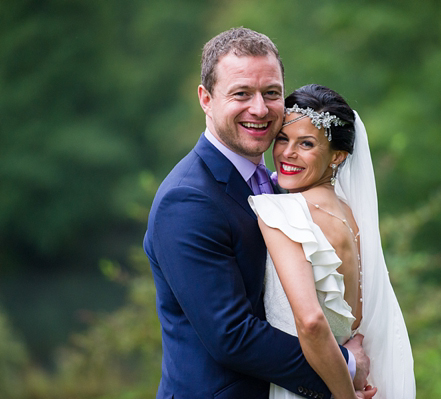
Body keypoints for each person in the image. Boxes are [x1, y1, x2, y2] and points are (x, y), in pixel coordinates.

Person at [143, 28, 368, 399]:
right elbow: (232, 335)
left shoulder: (285, 184)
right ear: (206, 98)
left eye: (272, 93)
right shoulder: (186, 200)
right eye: (241, 94)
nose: (260, 109)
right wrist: (344, 369)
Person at [249, 84, 416, 399]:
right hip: (343, 368)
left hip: (315, 385)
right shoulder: (350, 214)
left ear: (337, 156)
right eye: (283, 138)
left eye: (306, 143)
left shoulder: (283, 212)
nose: (287, 153)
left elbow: (312, 323)